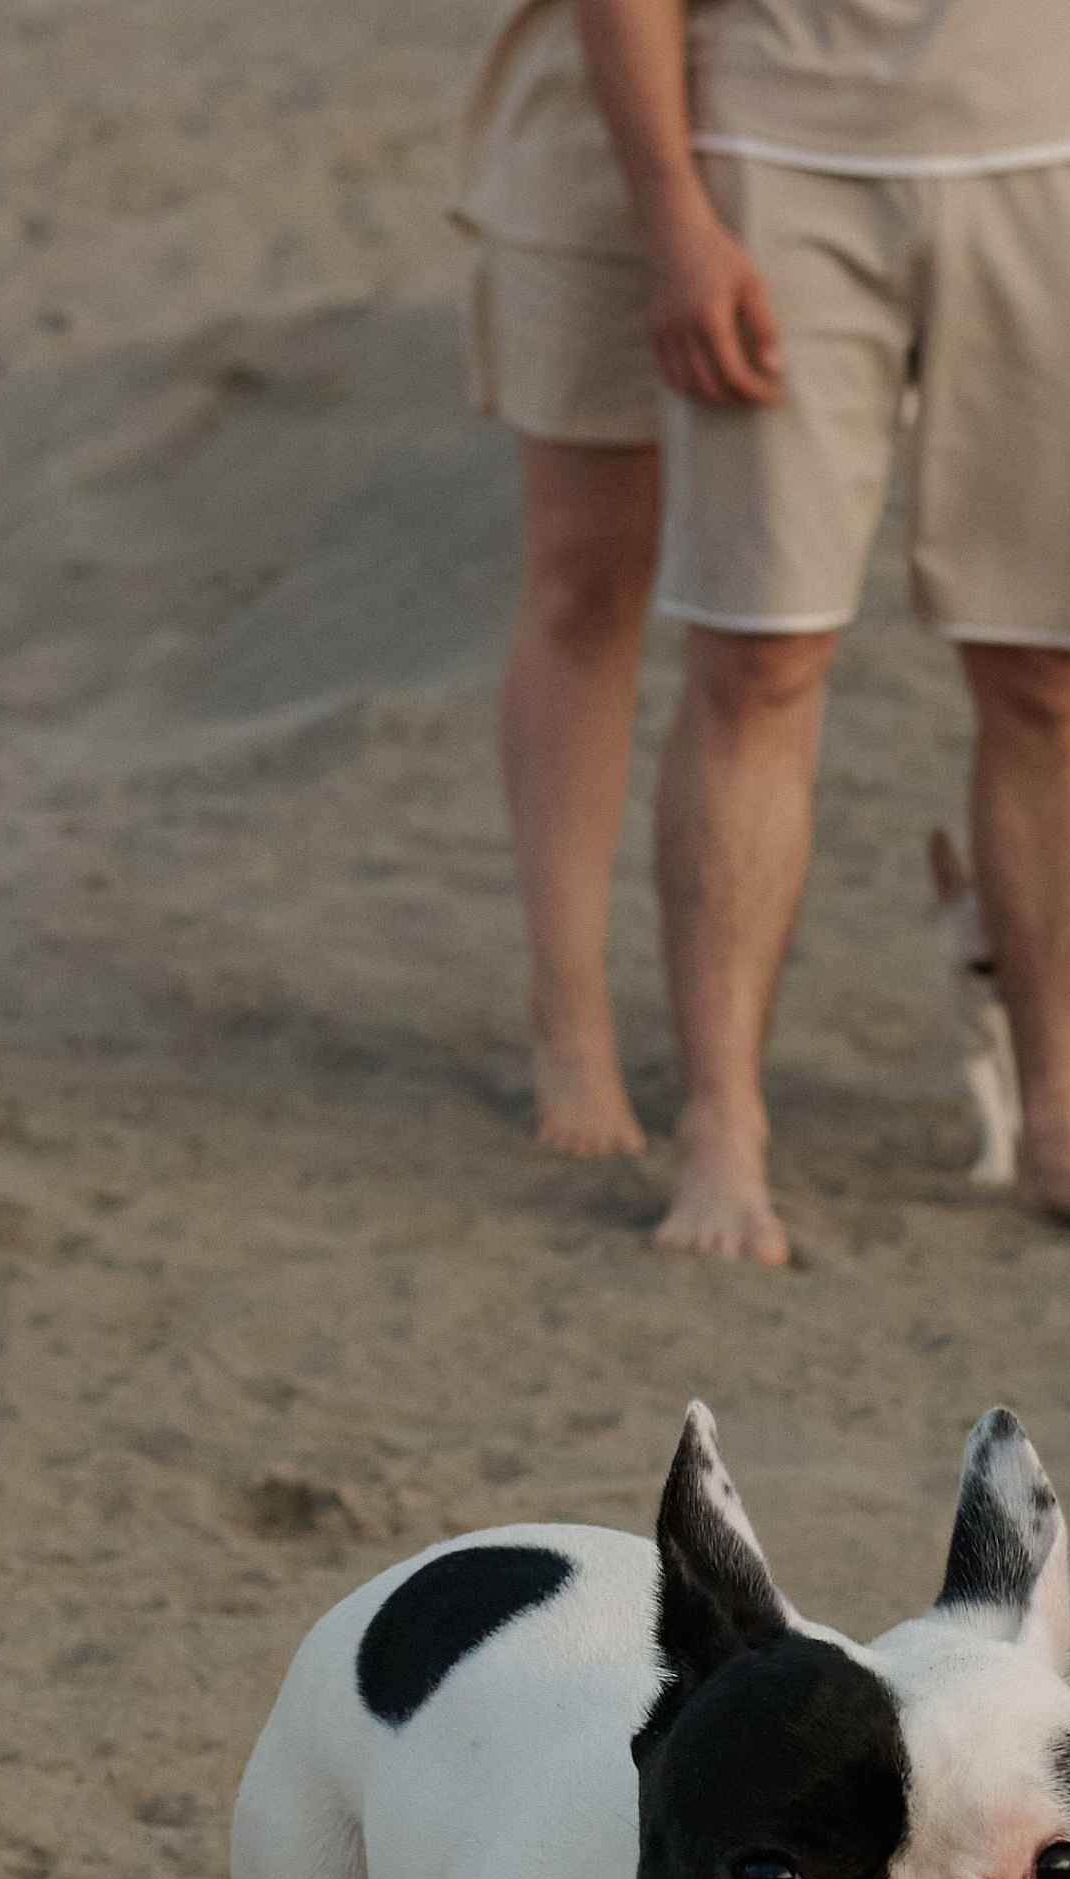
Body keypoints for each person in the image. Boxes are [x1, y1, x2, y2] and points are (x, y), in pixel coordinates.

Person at [574, 0, 1070, 1266]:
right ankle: (722, 1134)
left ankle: (1066, 1134)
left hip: (1063, 150)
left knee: (1049, 671)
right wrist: (672, 221)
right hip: (779, 148)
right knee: (756, 658)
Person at [456, 0, 668, 1153]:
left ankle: (729, 1047)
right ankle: (570, 1019)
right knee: (586, 583)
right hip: (592, 119)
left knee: (784, 631)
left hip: (851, 134)